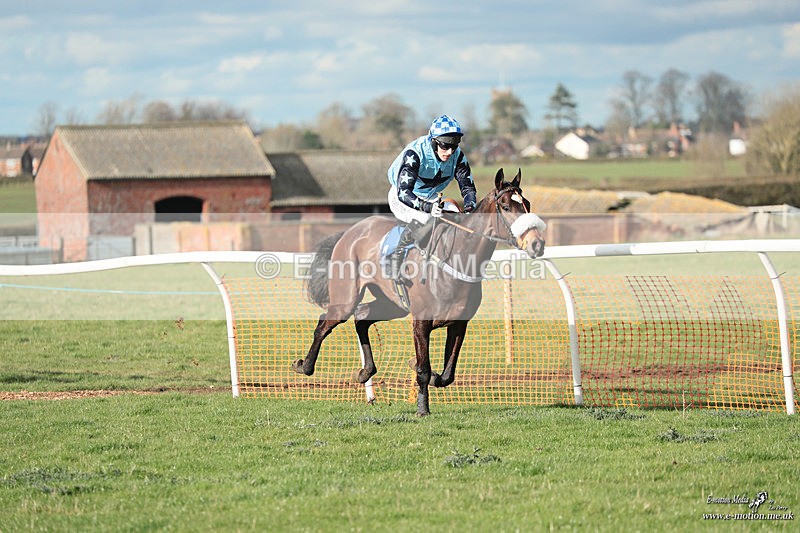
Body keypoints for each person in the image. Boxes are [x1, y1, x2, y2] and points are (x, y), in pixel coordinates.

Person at [386, 114, 477, 281]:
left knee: (455, 215)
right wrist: (427, 207)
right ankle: (394, 260)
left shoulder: (458, 156)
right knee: (424, 217)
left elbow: (468, 187)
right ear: (433, 141)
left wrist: (470, 208)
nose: (450, 152)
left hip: (431, 197)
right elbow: (404, 192)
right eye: (445, 146)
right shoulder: (415, 153)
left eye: (454, 146)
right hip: (403, 196)